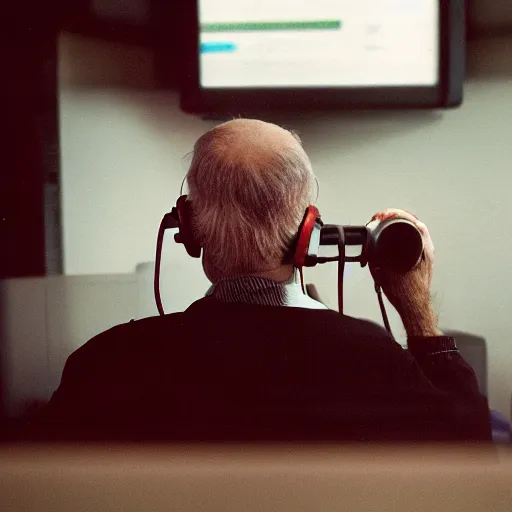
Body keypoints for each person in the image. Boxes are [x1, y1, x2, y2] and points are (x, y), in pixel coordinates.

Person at [15, 119, 491, 442]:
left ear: (189, 226)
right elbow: (468, 446)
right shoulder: (376, 362)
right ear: (308, 232)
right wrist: (416, 308)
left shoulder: (105, 364)